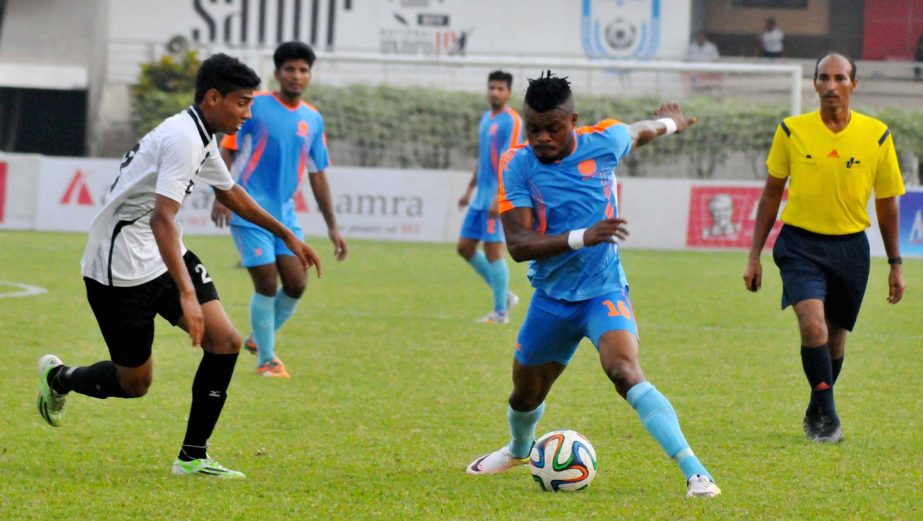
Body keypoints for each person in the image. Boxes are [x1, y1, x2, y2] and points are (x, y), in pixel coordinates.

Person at [35, 53, 323, 479]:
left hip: (160, 252)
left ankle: (192, 456)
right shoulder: (183, 138)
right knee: (136, 384)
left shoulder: (201, 131)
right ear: (213, 98)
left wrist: (286, 234)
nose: (248, 112)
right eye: (242, 102)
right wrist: (187, 295)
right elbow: (161, 217)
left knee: (224, 341)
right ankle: (60, 378)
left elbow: (229, 192)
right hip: (119, 267)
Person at [465, 71, 721, 498]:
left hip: (604, 292)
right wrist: (585, 235)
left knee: (625, 370)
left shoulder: (602, 141)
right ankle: (517, 450)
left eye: (553, 128)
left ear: (574, 120)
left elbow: (637, 132)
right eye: (534, 129)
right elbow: (519, 244)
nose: (542, 138)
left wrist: (673, 123)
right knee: (524, 396)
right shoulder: (518, 163)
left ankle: (696, 472)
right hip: (551, 299)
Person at [743, 53, 905, 443]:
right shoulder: (791, 131)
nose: (831, 85)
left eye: (839, 78)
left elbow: (886, 204)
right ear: (814, 84)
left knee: (835, 337)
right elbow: (771, 193)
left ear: (853, 84)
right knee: (811, 324)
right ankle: (829, 419)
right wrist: (754, 255)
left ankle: (817, 404)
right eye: (823, 78)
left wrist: (895, 263)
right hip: (800, 244)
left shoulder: (878, 135)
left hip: (851, 249)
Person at [211, 41, 346, 378]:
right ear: (277, 74)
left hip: (284, 215)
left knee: (298, 283)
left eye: (302, 70)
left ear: (309, 75)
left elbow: (318, 175)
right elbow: (226, 150)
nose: (296, 76)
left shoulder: (312, 119)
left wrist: (332, 226)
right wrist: (220, 193)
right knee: (267, 284)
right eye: (290, 69)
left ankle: (259, 338)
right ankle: (267, 361)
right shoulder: (254, 106)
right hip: (248, 208)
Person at [456, 70, 523, 324]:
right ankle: (504, 296)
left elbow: (510, 160)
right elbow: (485, 158)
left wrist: (500, 196)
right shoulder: (486, 119)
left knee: (494, 249)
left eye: (500, 89)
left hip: (498, 195)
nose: (495, 92)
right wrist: (469, 190)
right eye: (492, 87)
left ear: (508, 92)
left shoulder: (513, 121)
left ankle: (500, 313)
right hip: (480, 197)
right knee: (465, 248)